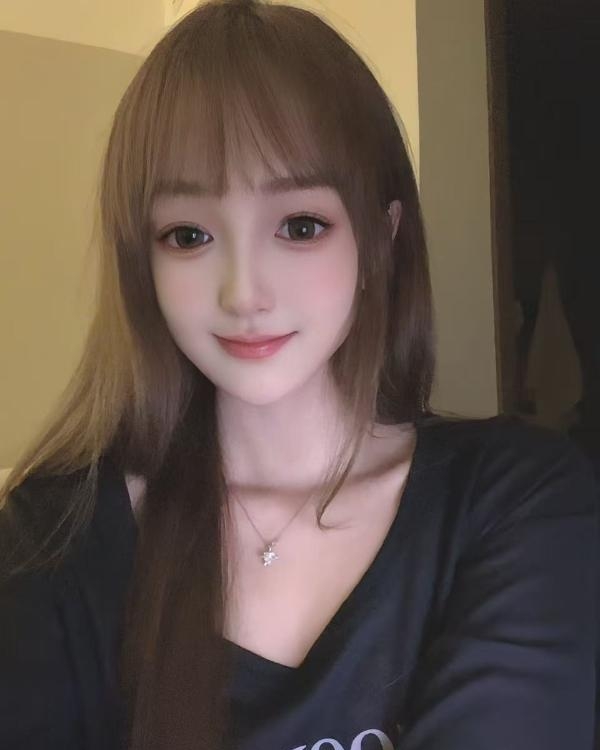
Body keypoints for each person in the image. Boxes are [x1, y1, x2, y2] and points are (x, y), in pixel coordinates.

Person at [0, 2, 597, 749]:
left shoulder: (518, 501)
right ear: (141, 260)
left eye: (300, 226)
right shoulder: (55, 535)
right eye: (189, 235)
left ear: (381, 239)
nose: (243, 293)